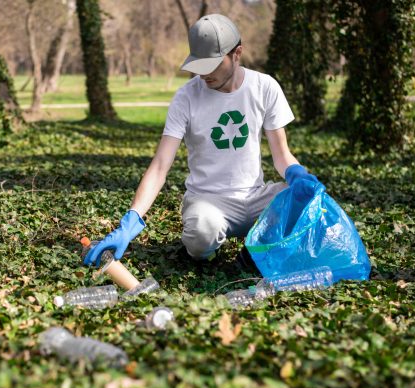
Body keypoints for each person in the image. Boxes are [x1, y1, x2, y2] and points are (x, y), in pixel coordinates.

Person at [84, 14, 322, 268]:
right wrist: (130, 222)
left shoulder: (264, 87)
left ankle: (253, 254)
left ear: (237, 53)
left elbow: (281, 154)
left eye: (213, 64)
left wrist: (297, 174)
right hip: (208, 202)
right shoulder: (186, 97)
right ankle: (214, 246)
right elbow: (160, 165)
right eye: (200, 64)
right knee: (200, 235)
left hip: (255, 198)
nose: (204, 73)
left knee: (305, 199)